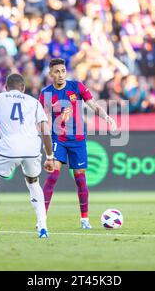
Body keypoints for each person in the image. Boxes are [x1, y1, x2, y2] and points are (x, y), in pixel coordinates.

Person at [0, 73, 55, 239]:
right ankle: (43, 228)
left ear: (6, 88)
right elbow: (45, 130)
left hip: (10, 148)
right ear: (23, 88)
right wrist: (50, 157)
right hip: (32, 148)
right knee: (33, 183)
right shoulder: (34, 102)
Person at [39, 58, 117, 229]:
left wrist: (106, 117)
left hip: (78, 139)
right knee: (53, 175)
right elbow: (42, 119)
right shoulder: (46, 93)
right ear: (51, 74)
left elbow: (93, 105)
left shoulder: (76, 87)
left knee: (80, 180)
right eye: (57, 72)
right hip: (58, 138)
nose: (61, 75)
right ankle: (41, 219)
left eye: (63, 71)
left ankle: (84, 220)